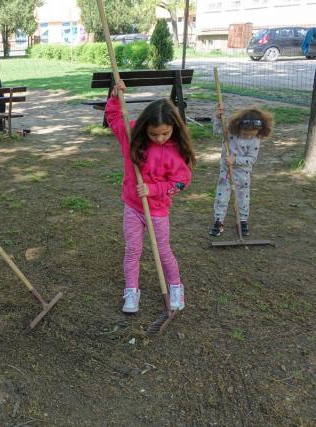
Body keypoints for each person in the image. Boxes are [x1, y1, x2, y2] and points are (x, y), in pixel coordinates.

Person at [105, 81, 195, 314]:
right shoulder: (132, 135)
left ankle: (175, 287)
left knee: (163, 250)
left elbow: (181, 181)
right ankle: (131, 291)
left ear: (174, 128)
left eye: (166, 133)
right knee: (132, 250)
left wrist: (153, 189)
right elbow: (114, 118)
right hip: (133, 207)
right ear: (145, 128)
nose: (160, 138)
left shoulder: (175, 151)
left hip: (157, 210)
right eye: (154, 134)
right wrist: (115, 98)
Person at [209, 105, 274, 237]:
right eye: (245, 133)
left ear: (259, 130)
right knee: (221, 197)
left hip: (243, 175)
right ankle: (218, 221)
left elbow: (251, 160)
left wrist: (236, 160)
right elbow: (217, 131)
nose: (249, 136)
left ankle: (243, 221)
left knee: (243, 198)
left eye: (253, 133)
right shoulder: (231, 134)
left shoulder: (255, 140)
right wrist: (217, 117)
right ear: (239, 127)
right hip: (226, 173)